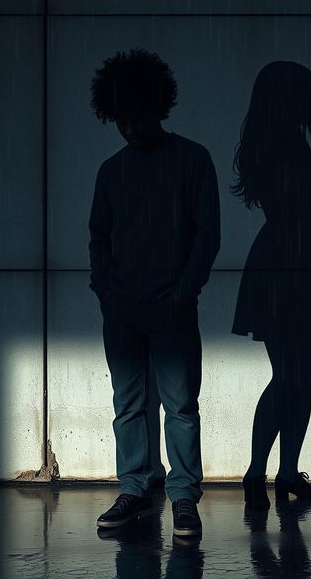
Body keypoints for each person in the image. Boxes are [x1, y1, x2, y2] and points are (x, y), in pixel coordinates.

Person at [87, 48, 221, 536]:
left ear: (157, 106)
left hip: (171, 307)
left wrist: (183, 294)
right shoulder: (111, 171)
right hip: (123, 308)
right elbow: (98, 237)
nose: (129, 127)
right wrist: (106, 292)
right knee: (129, 403)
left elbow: (207, 235)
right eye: (121, 118)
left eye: (136, 115)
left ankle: (183, 496)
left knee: (180, 405)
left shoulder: (192, 161)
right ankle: (137, 489)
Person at [231, 61, 311, 509]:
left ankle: (278, 473)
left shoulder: (271, 144)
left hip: (295, 261)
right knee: (293, 376)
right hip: (296, 262)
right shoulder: (281, 146)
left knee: (297, 377)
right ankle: (261, 473)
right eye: (307, 98)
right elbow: (294, 206)